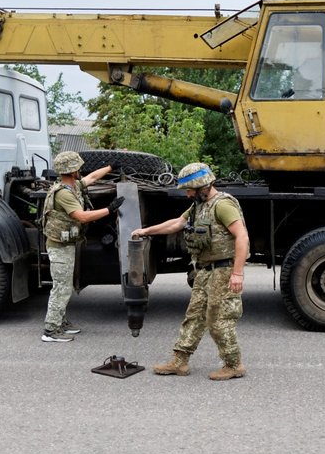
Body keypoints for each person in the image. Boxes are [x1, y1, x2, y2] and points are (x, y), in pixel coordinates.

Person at [131, 162, 249, 380]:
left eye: (190, 190)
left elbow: (242, 236)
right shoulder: (198, 205)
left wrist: (238, 273)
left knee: (218, 320)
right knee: (194, 316)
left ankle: (233, 365)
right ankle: (180, 361)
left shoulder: (222, 205)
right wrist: (146, 231)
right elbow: (177, 223)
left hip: (223, 270)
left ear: (203, 186)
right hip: (204, 270)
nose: (187, 194)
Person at [40, 151, 123, 342]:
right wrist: (109, 209)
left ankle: (60, 322)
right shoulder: (63, 194)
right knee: (61, 287)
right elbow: (82, 216)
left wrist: (111, 167)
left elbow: (92, 177)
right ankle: (51, 330)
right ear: (73, 170)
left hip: (66, 244)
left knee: (65, 286)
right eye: (78, 167)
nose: (81, 170)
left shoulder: (73, 185)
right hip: (59, 247)